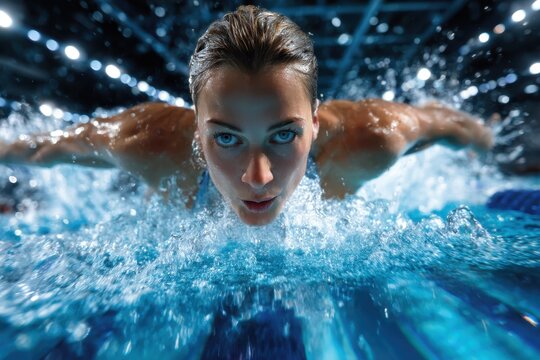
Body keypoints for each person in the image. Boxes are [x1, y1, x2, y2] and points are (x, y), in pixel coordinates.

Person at [0, 5, 493, 226]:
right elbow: (40, 149)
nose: (258, 178)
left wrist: (485, 153)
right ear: (196, 129)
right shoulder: (145, 142)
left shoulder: (371, 139)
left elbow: (456, 128)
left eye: (284, 136)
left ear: (315, 124)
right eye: (228, 139)